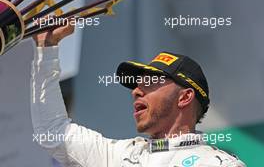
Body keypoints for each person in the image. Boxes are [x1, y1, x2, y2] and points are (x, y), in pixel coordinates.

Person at [31, 23, 246, 167]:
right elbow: (52, 132)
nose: (136, 91)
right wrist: (46, 48)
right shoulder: (118, 156)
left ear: (185, 97)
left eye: (150, 83)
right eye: (137, 84)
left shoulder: (217, 164)